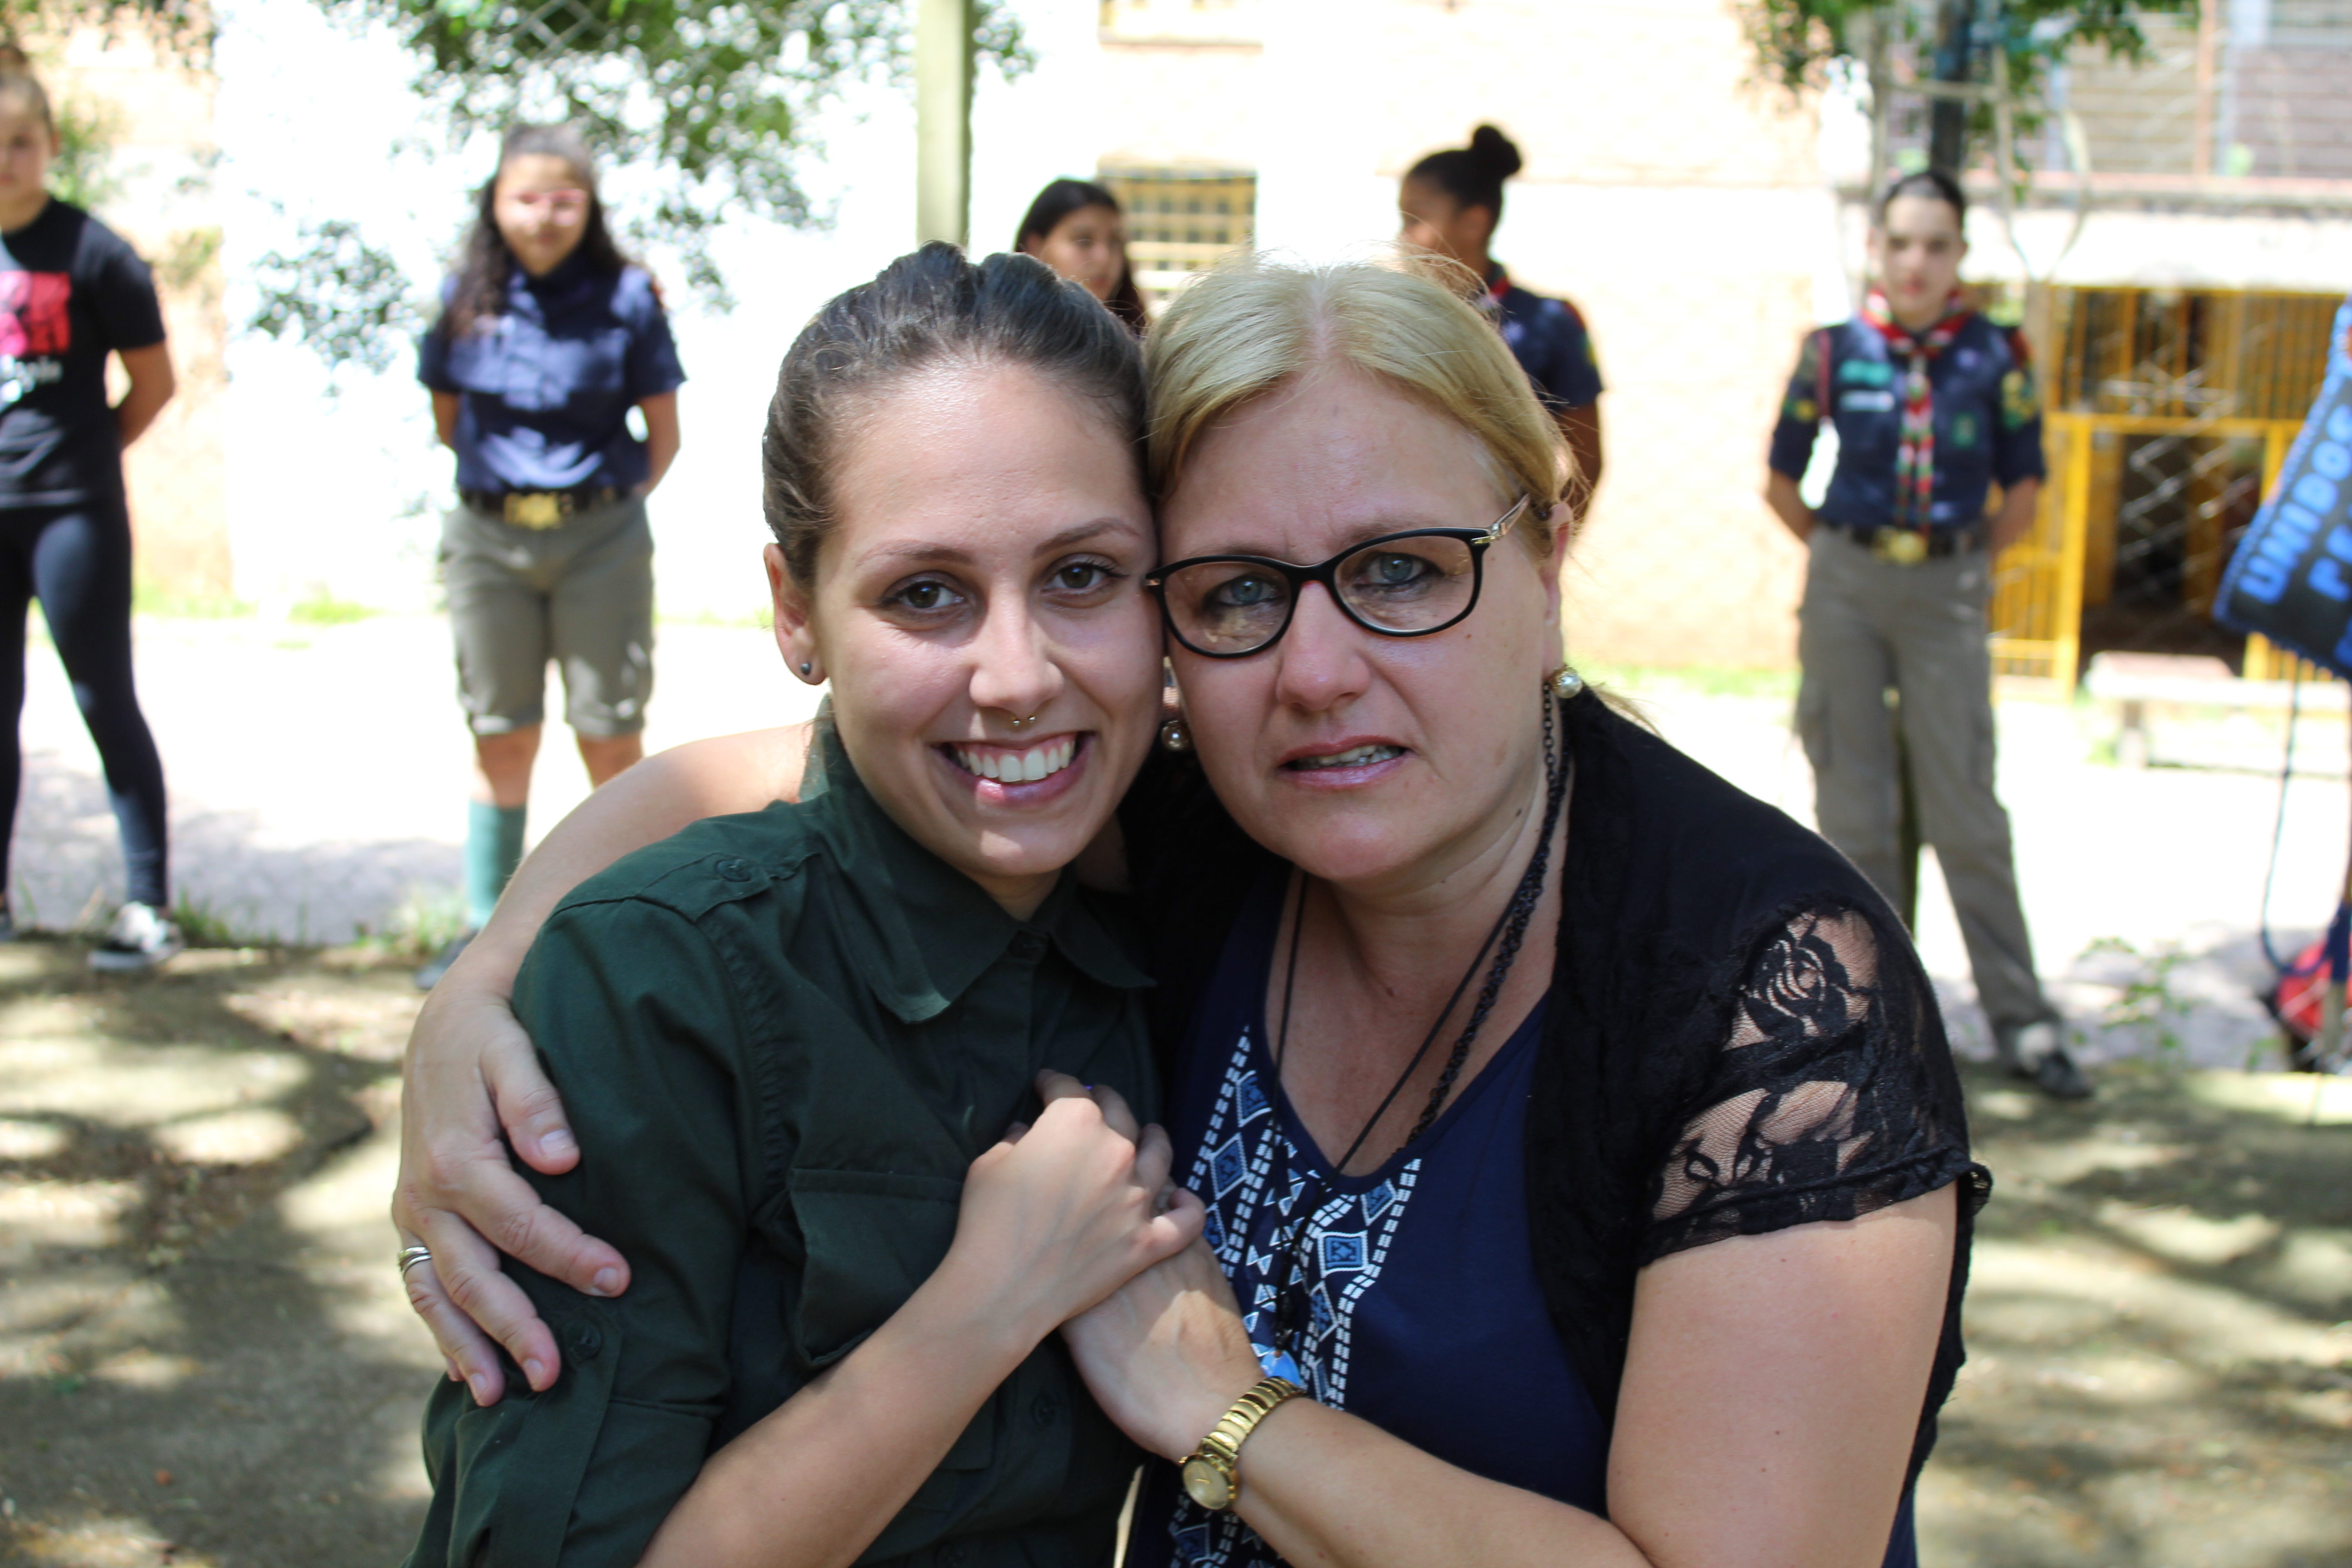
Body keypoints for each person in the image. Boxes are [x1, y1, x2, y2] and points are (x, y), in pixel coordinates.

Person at [397, 252, 1986, 1568]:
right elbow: (771, 780)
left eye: (1404, 570)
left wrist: (1226, 1412)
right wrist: (484, 987)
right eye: (1236, 591)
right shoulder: (1213, 830)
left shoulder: (1768, 998)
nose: (1316, 669)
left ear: (1549, 553)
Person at [402, 245, 1200, 1568]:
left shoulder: (1201, 899)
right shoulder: (659, 986)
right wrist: (988, 1302)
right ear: (796, 610)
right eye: (924, 593)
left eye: (1082, 574)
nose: (1016, 675)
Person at [1763, 169, 2087, 1101]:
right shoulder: (1832, 351)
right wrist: (1844, 560)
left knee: (1965, 807)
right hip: (1847, 579)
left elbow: (2022, 490)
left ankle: (2021, 1020)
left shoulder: (1995, 355)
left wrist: (1958, 564)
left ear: (1959, 256)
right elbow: (1780, 479)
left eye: (1936, 245)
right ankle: (1866, 1026)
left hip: (1948, 584)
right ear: (1873, 247)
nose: (1915, 262)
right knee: (1853, 807)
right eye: (1899, 242)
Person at [412, 123, 686, 991]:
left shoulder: (629, 297)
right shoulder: (464, 297)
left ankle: (628, 928)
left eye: (563, 199)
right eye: (524, 198)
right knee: (501, 735)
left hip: (600, 537)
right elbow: (449, 420)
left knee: (609, 734)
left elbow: (663, 434)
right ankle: (482, 933)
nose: (543, 216)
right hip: (488, 540)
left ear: (589, 206)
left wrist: (595, 507)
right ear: (495, 205)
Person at [0, 67, 180, 969]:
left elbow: (155, 382)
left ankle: (148, 904)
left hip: (73, 511)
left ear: (52, 146)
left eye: (20, 142)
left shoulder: (97, 253)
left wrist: (88, 452)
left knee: (102, 696)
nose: (5, 160)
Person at [1399, 124, 1603, 517]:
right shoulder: (1395, 318)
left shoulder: (1550, 323)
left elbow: (1588, 461)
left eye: (1416, 219)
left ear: (1474, 223)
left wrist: (1544, 545)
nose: (1402, 237)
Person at [1015, 177, 1149, 333]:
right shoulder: (1001, 334)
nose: (1104, 258)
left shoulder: (1142, 342)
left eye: (1115, 242)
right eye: (1083, 241)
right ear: (1035, 247)